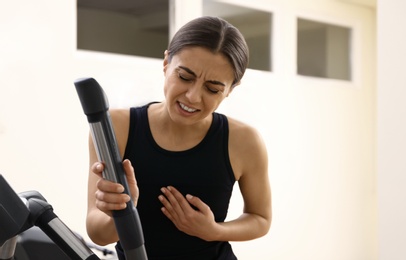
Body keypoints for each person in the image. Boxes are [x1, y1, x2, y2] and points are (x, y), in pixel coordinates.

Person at [86, 16, 272, 260]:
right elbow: (97, 234)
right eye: (184, 77)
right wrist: (123, 211)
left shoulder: (245, 141)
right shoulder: (115, 127)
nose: (193, 97)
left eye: (213, 89)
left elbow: (260, 218)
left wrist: (213, 230)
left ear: (230, 89)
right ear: (166, 63)